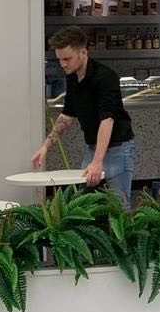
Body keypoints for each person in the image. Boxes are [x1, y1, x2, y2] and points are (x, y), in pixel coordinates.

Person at [32, 26, 136, 201]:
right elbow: (67, 116)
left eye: (67, 59)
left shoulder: (105, 77)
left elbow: (107, 120)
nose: (63, 64)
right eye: (60, 59)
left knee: (119, 205)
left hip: (118, 149)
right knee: (84, 203)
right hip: (93, 148)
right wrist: (45, 147)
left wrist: (97, 161)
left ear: (83, 53)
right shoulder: (72, 77)